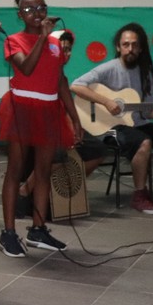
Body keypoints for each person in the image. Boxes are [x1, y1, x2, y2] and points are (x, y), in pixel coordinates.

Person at [71, 23, 153, 215]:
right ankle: (140, 195)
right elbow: (76, 86)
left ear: (141, 48)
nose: (130, 49)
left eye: (134, 45)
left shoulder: (146, 72)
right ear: (118, 47)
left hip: (137, 124)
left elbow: (148, 112)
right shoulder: (109, 68)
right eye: (125, 44)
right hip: (109, 128)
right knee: (144, 142)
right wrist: (106, 101)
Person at [0, 0, 81, 257]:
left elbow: (60, 81)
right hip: (22, 108)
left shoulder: (56, 44)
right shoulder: (13, 40)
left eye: (41, 8)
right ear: (19, 14)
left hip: (49, 109)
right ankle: (8, 233)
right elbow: (27, 67)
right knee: (16, 170)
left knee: (43, 171)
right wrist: (43, 37)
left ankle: (38, 229)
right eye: (29, 9)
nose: (37, 13)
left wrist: (74, 117)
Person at [16, 29, 111, 218]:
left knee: (98, 150)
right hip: (35, 125)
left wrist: (74, 126)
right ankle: (24, 191)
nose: (65, 53)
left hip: (58, 124)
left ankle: (65, 189)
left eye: (68, 50)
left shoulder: (61, 74)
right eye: (61, 49)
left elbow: (65, 106)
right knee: (58, 153)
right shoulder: (39, 68)